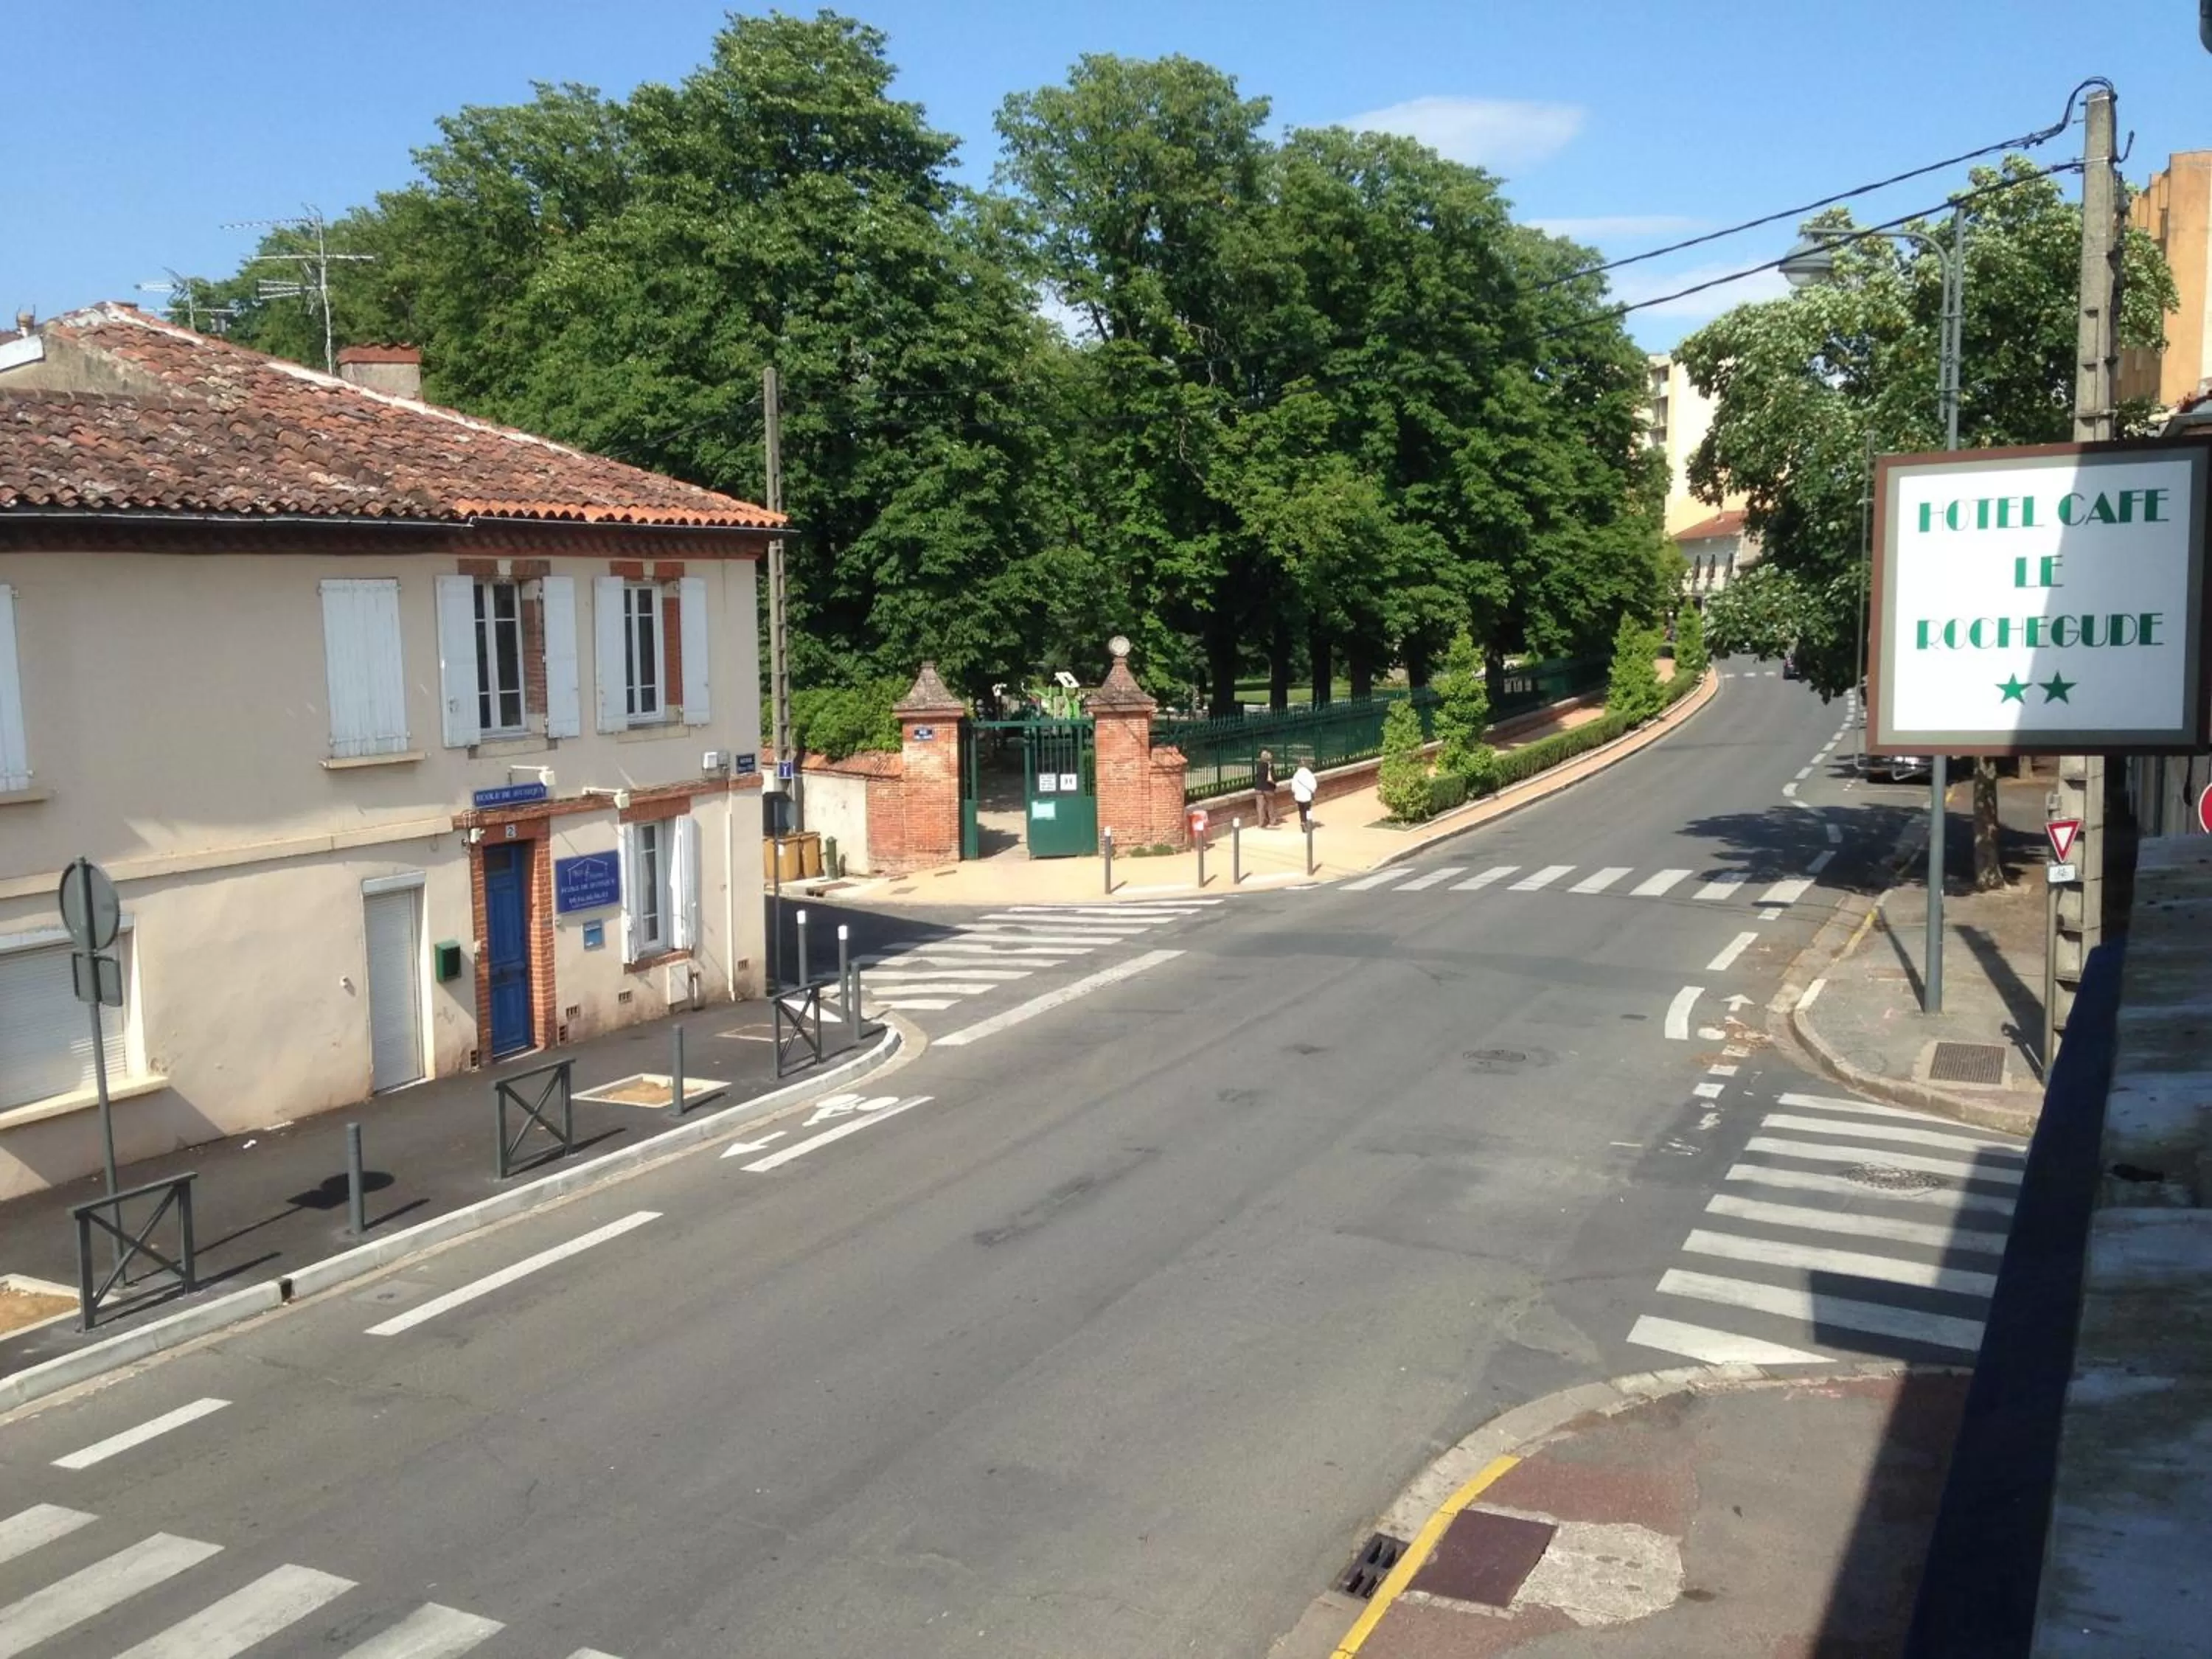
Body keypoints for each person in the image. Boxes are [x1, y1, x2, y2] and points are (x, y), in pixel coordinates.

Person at [1253, 748, 1278, 827]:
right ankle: (1272, 821)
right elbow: (1272, 778)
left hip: (1259, 788)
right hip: (1268, 788)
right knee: (1271, 805)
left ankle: (1261, 822)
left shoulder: (1259, 765)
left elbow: (1258, 775)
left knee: (1260, 806)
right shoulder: (1270, 766)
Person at [1290, 761, 1318, 830]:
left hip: (1299, 796)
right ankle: (1308, 823)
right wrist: (1312, 792)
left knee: (1301, 810)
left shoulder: (1296, 775)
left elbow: (1293, 787)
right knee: (1308, 810)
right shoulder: (1310, 774)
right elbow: (1314, 785)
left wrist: (1295, 792)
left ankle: (1303, 822)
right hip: (1307, 795)